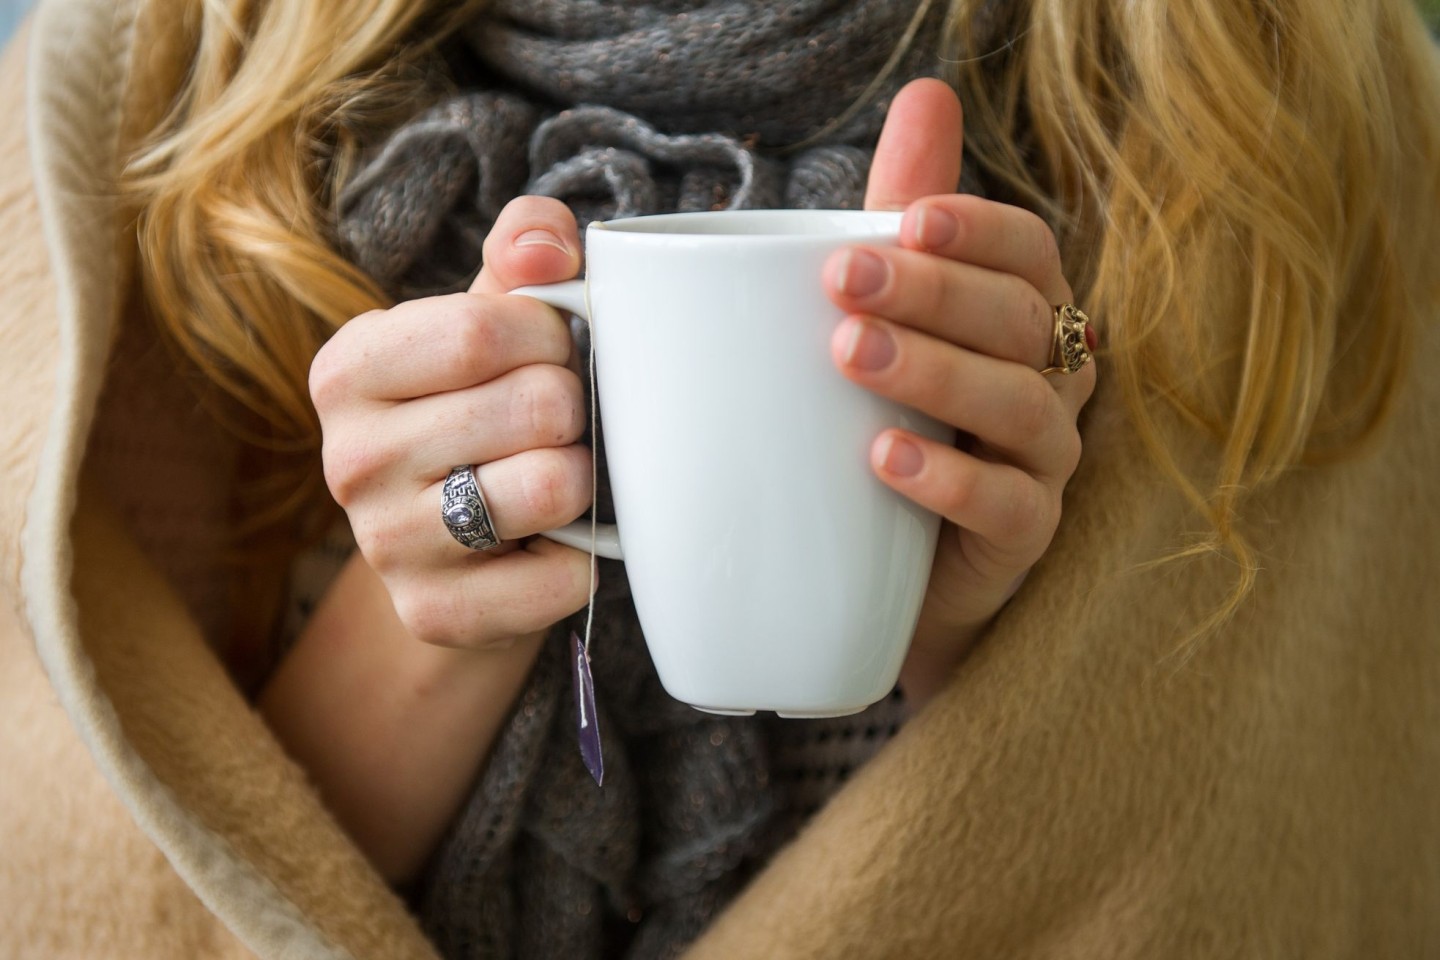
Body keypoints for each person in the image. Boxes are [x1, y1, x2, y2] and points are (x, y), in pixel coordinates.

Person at [0, 0, 1437, 958]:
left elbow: (1286, 862)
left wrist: (1005, 644)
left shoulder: (1301, 126)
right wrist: (457, 577)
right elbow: (130, 901)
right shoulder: (137, 106)